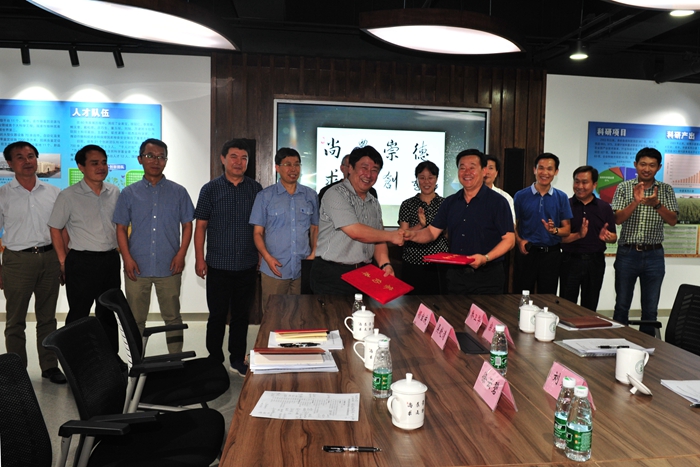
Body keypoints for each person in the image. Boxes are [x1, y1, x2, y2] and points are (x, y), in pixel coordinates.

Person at [113, 138, 194, 354]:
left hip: (169, 266)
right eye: (150, 156)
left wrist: (181, 254)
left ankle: (175, 360)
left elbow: (188, 225)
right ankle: (136, 362)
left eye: (161, 157)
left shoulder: (179, 192)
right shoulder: (128, 193)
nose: (155, 161)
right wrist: (127, 259)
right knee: (135, 319)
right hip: (136, 266)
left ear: (166, 160)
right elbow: (121, 228)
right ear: (140, 159)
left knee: (173, 317)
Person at [194, 138, 262, 377]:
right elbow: (201, 226)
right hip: (218, 264)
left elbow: (260, 227)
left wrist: (260, 255)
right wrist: (199, 258)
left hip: (247, 263)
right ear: (223, 159)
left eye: (244, 158)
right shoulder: (210, 189)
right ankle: (214, 359)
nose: (239, 162)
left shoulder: (255, 189)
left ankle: (237, 358)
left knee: (242, 316)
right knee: (217, 315)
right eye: (234, 157)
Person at [404, 149, 514, 294]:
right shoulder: (450, 202)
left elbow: (509, 239)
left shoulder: (498, 202)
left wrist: (485, 258)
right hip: (456, 276)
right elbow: (431, 232)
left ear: (484, 171)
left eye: (472, 167)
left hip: (488, 276)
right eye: (462, 168)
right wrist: (412, 235)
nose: (466, 172)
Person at [0, 141, 65, 384]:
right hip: (17, 261)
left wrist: (63, 261)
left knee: (47, 318)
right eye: (19, 157)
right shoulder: (3, 194)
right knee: (15, 320)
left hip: (49, 258)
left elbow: (61, 230)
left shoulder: (53, 192)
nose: (27, 161)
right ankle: (17, 371)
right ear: (9, 163)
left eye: (30, 156)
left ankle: (50, 366)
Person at [48, 144, 121, 354]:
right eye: (94, 163)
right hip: (81, 262)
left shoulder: (114, 192)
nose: (101, 167)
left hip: (110, 260)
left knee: (108, 312)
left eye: (104, 162)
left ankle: (111, 359)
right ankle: (76, 361)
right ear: (81, 166)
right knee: (78, 314)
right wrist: (63, 260)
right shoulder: (68, 195)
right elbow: (55, 227)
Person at [310, 145, 404, 294]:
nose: (369, 174)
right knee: (334, 310)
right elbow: (356, 231)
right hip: (333, 274)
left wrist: (385, 264)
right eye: (364, 168)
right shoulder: (334, 194)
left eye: (375, 170)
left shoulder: (373, 202)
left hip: (365, 274)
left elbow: (378, 238)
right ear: (350, 168)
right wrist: (392, 235)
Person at [611, 147, 678, 336]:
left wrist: (656, 204)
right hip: (627, 253)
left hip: (654, 254)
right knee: (621, 305)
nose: (647, 169)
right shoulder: (624, 187)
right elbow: (617, 219)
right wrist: (635, 201)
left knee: (650, 308)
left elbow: (673, 220)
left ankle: (647, 346)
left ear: (659, 167)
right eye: (643, 164)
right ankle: (618, 342)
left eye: (652, 165)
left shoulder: (666, 190)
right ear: (635, 165)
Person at [249, 147, 318, 312]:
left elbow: (315, 228)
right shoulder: (265, 196)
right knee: (273, 317)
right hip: (274, 270)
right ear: (277, 167)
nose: (293, 169)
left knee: (301, 316)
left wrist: (313, 254)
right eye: (288, 164)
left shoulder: (310, 196)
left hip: (302, 269)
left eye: (297, 164)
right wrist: (267, 258)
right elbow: (257, 233)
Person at [559, 166, 617, 312]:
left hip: (595, 262)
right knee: (566, 306)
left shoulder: (604, 207)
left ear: (594, 184)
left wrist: (608, 237)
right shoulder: (565, 205)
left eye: (584, 182)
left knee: (590, 306)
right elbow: (558, 239)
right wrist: (578, 235)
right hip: (569, 260)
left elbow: (614, 237)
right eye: (576, 181)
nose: (579, 186)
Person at [513, 153, 572, 294]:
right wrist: (519, 241)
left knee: (547, 297)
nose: (545, 172)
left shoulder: (562, 197)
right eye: (541, 168)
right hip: (527, 252)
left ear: (556, 172)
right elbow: (513, 225)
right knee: (521, 295)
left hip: (551, 255)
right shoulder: (520, 196)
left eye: (549, 169)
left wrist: (554, 230)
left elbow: (567, 229)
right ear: (534, 169)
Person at [397, 161, 449, 295]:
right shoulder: (407, 204)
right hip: (413, 263)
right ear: (417, 179)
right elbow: (402, 235)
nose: (426, 182)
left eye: (430, 177)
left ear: (436, 179)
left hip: (439, 265)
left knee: (440, 302)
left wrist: (444, 229)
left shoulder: (445, 204)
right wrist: (420, 226)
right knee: (411, 304)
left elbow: (450, 236)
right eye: (422, 177)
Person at [484, 154, 515, 222]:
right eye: (484, 167)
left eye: (491, 168)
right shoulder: (468, 195)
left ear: (496, 173)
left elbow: (511, 224)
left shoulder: (505, 197)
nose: (487, 172)